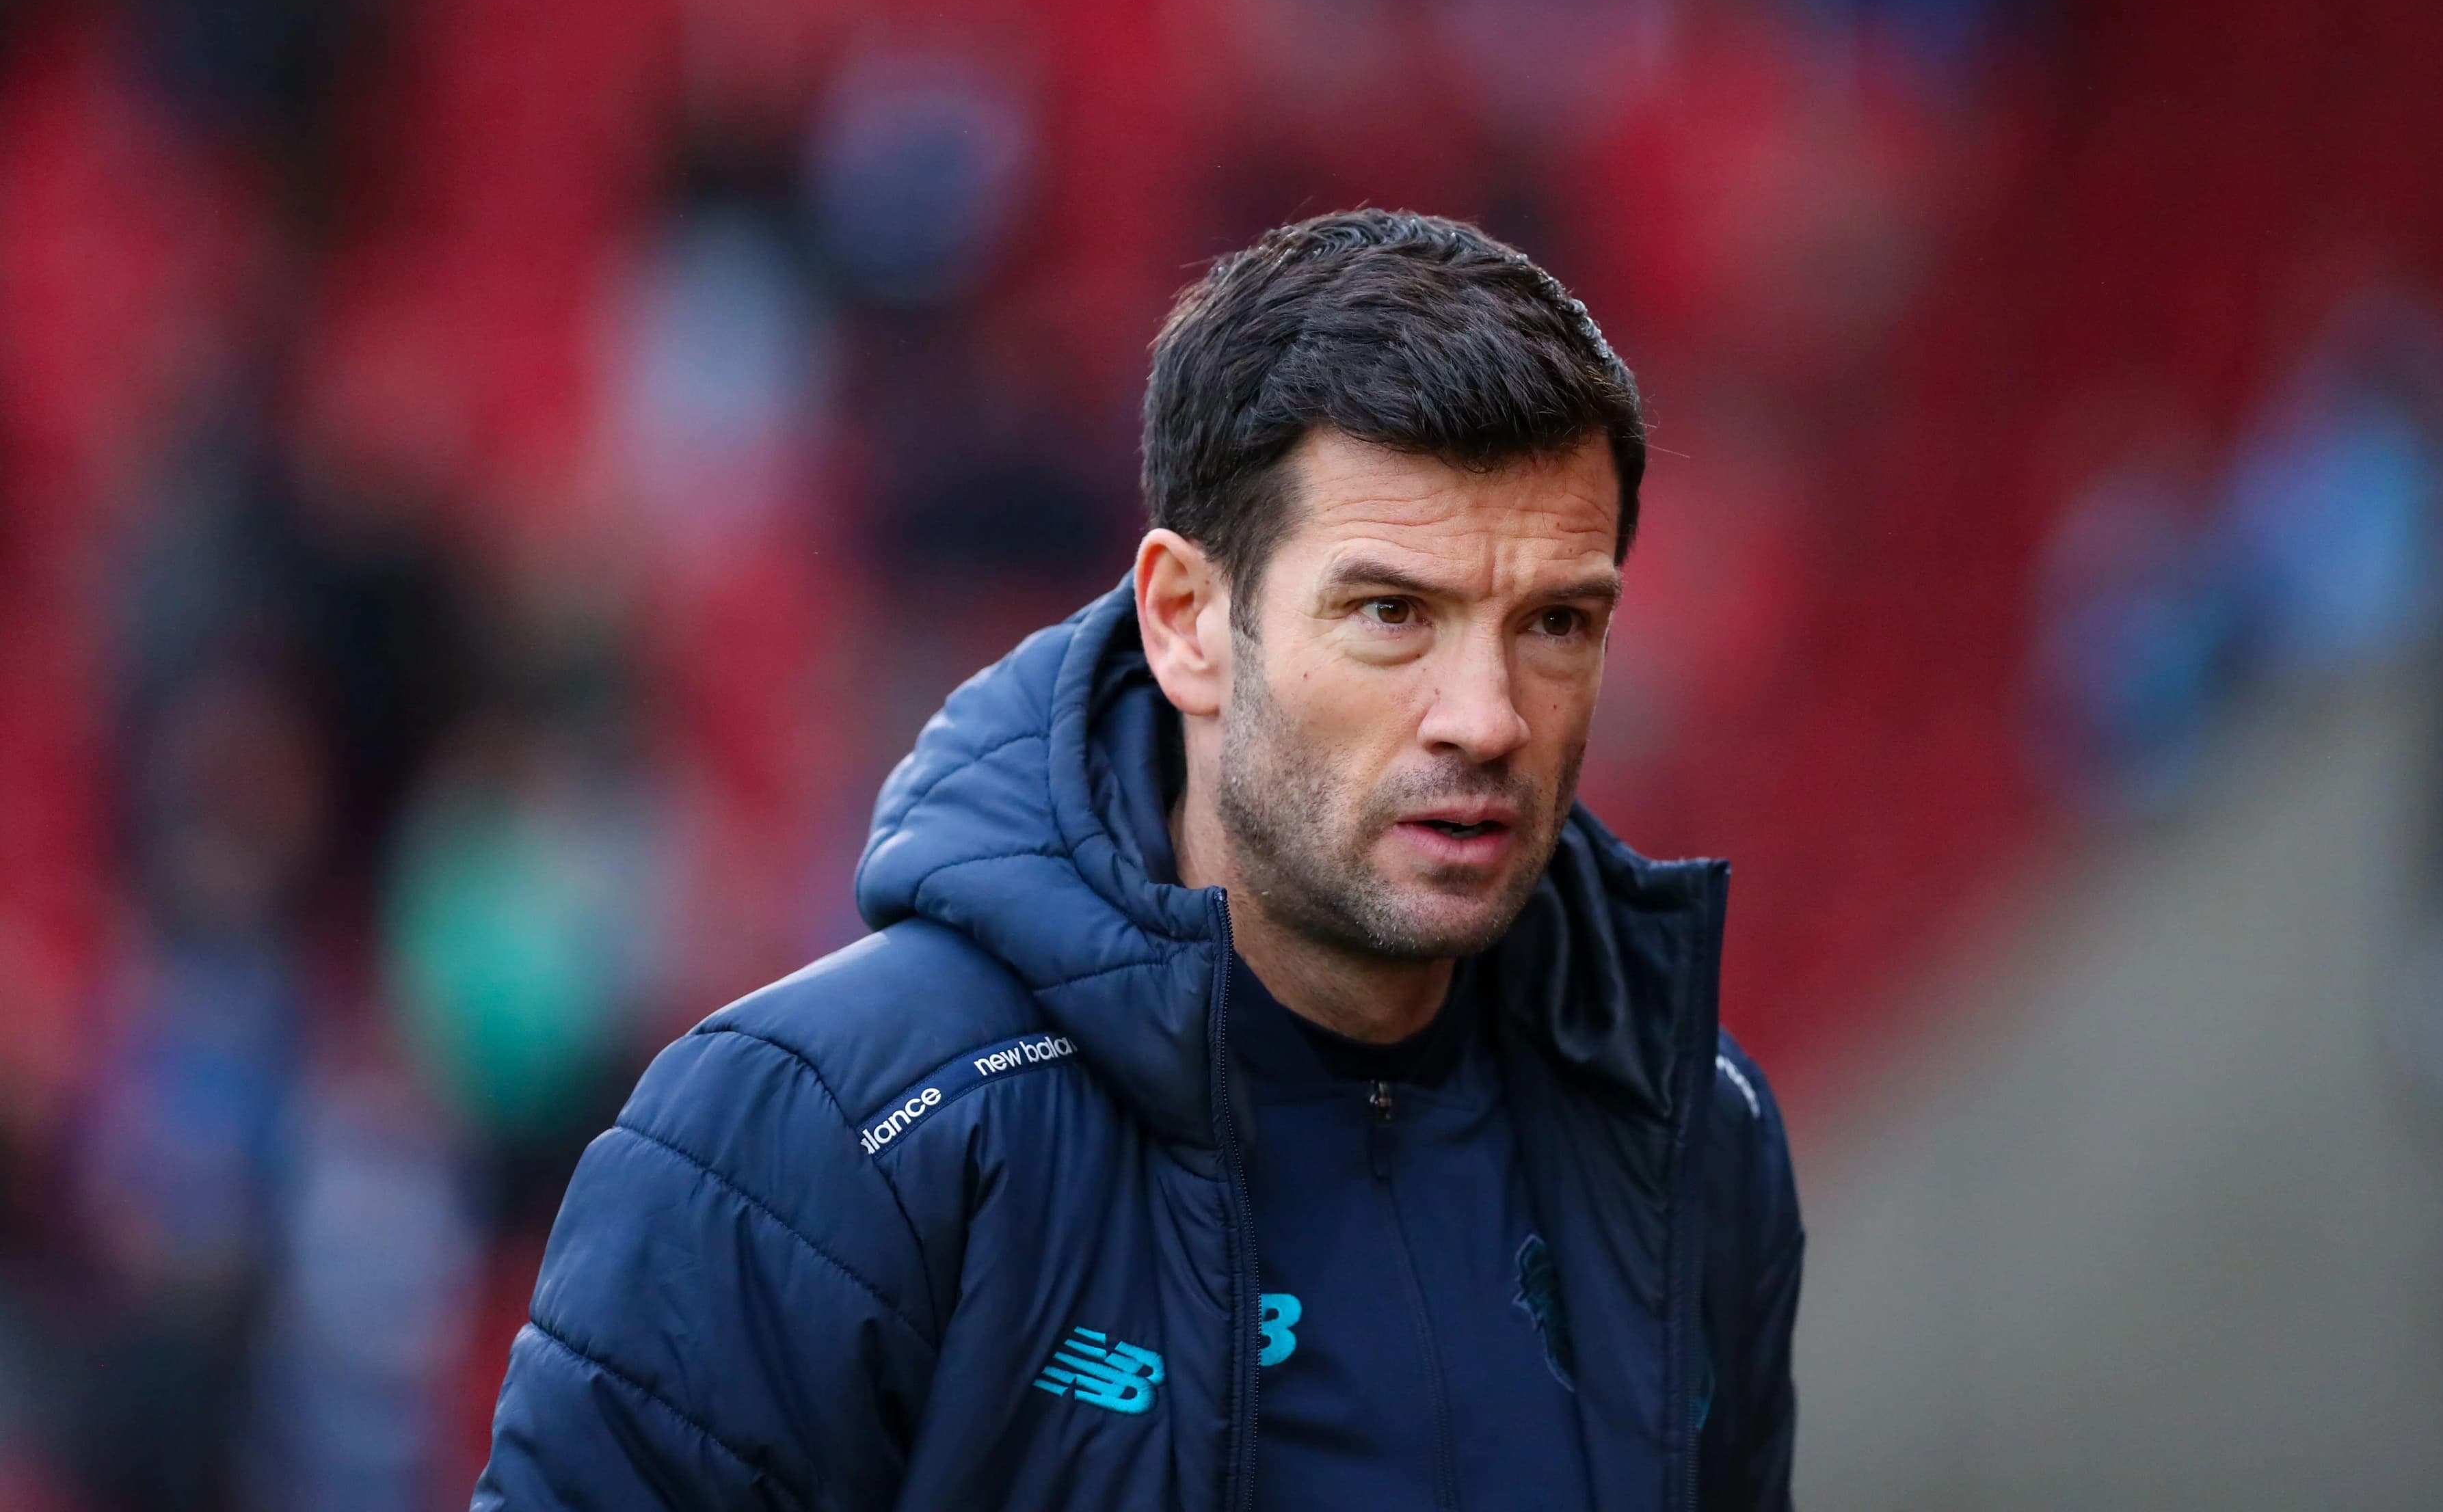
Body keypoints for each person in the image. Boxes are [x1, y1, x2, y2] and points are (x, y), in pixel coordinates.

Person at [472, 210, 1802, 1511]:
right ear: (1187, 623)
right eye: (1392, 613)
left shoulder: (1694, 1125)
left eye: (1558, 621)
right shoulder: (826, 1138)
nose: (1489, 713)